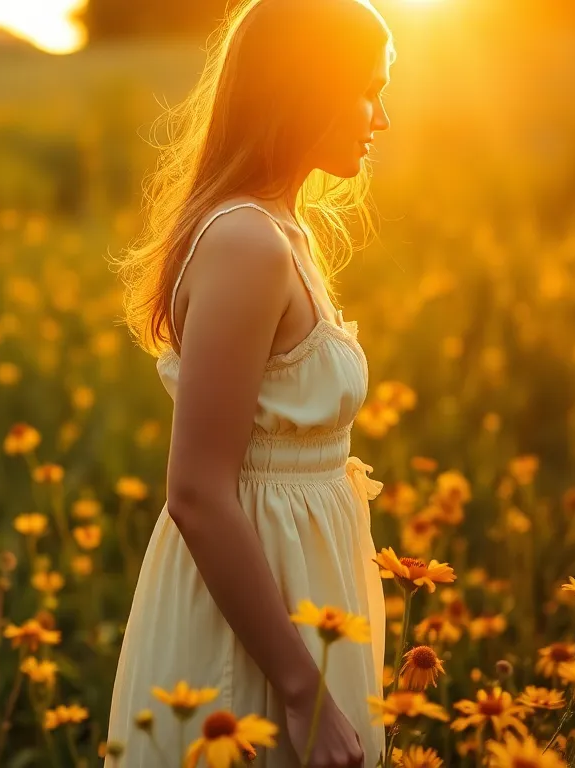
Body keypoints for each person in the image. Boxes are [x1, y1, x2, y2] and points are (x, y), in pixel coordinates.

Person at [105, 0, 394, 766]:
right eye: (370, 88)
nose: (383, 117)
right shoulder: (245, 242)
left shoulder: (281, 232)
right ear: (310, 88)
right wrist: (302, 689)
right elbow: (197, 491)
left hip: (298, 603)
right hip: (256, 638)